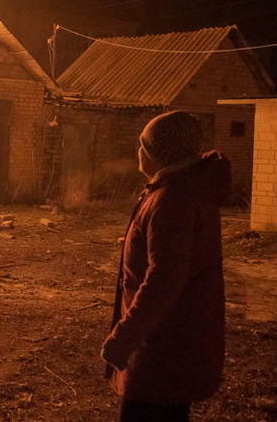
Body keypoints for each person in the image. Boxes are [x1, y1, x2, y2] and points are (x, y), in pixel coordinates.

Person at [100, 111, 231, 422]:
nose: (138, 151)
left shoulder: (172, 199)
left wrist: (123, 339)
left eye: (142, 145)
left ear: (158, 153)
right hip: (173, 341)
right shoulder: (179, 189)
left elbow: (164, 279)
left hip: (163, 348)